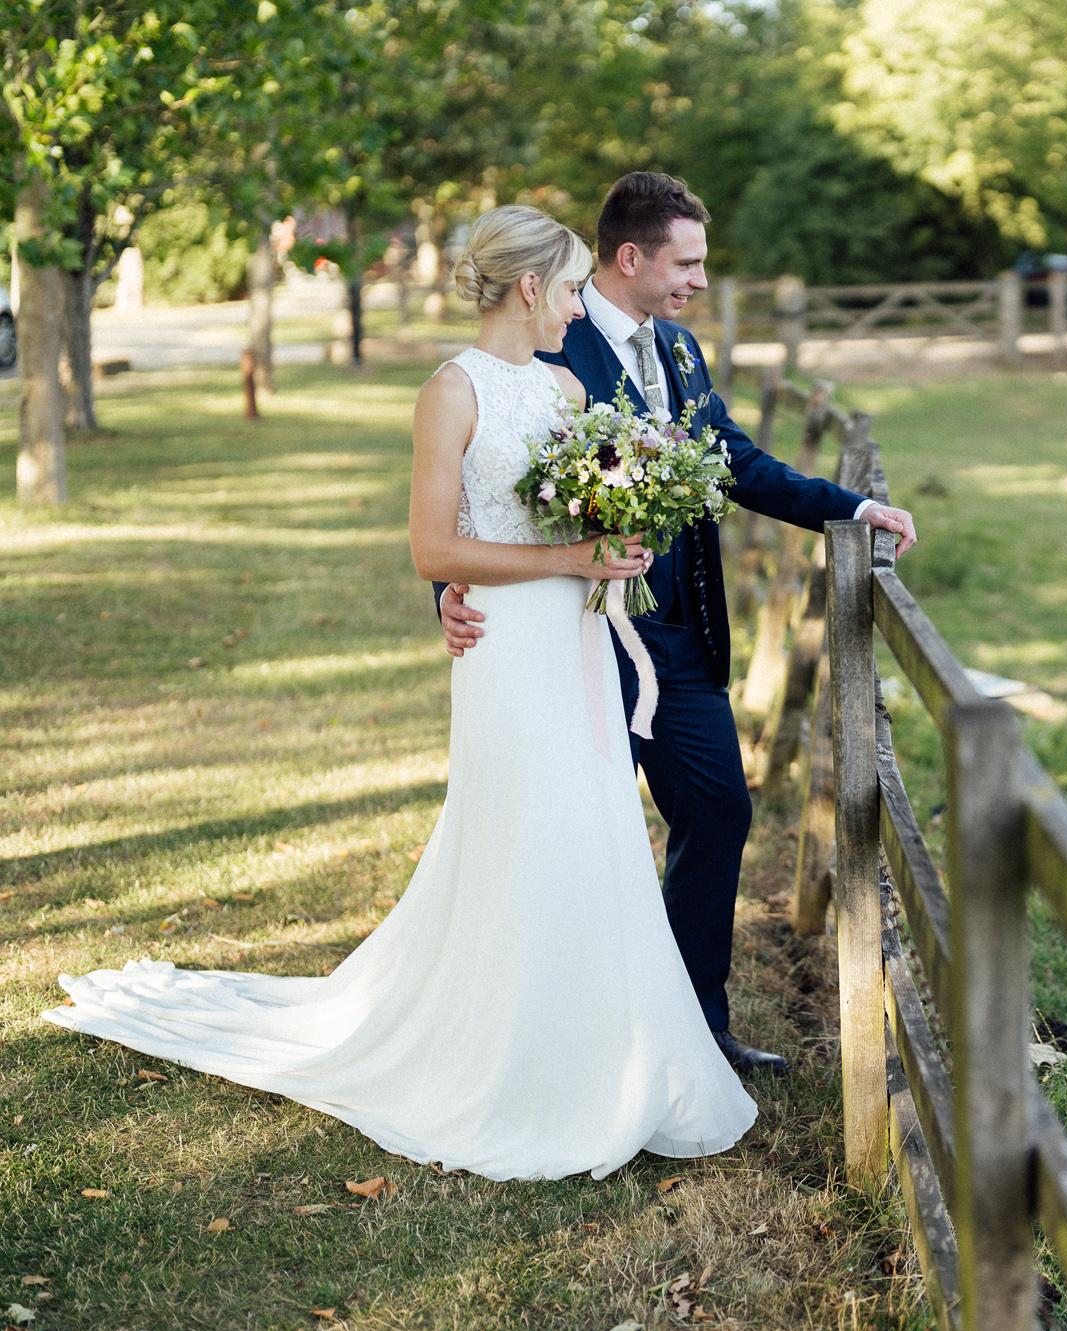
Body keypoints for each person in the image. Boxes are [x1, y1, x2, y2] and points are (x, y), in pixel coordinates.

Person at [43, 205, 758, 1181]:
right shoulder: (450, 392)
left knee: (592, 834)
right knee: (526, 833)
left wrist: (617, 542)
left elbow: (595, 501)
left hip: (581, 641)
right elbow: (435, 546)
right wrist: (569, 554)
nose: (575, 311)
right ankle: (515, 1064)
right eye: (568, 288)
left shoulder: (559, 386)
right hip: (507, 649)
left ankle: (609, 1054)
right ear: (528, 288)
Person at [438, 173, 916, 1076]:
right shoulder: (555, 345)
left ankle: (694, 1022)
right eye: (686, 260)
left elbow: (735, 460)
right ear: (632, 257)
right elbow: (485, 474)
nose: (699, 277)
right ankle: (565, 1024)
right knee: (581, 830)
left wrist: (850, 508)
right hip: (577, 629)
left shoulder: (683, 352)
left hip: (682, 629)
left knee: (718, 807)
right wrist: (450, 591)